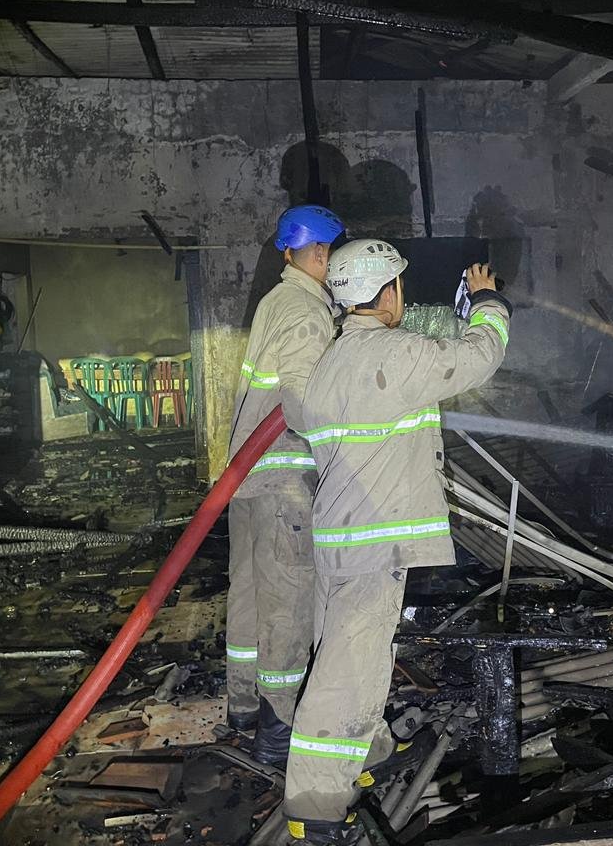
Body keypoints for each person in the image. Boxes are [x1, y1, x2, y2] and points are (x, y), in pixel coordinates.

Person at [283, 240, 511, 844]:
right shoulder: (392, 352)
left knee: (355, 656)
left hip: (341, 537)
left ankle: (367, 751)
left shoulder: (332, 361)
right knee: (344, 673)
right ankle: (314, 805)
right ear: (387, 292)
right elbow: (479, 356)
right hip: (373, 543)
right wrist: (488, 304)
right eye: (399, 286)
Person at [224, 203, 344, 765]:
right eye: (329, 251)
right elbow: (302, 404)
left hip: (250, 476)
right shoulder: (307, 312)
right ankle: (279, 724)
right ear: (316, 252)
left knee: (249, 594)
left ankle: (243, 704)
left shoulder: (277, 299)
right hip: (285, 480)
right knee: (287, 600)